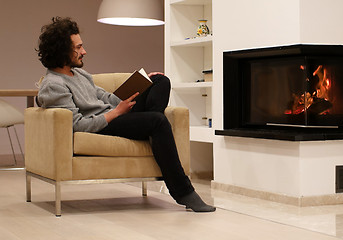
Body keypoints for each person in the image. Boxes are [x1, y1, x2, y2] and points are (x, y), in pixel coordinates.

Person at [36, 17, 215, 213]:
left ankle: (150, 130)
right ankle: (183, 192)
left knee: (160, 81)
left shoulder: (79, 74)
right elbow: (77, 125)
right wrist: (115, 113)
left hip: (115, 116)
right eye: (78, 48)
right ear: (62, 50)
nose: (84, 51)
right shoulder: (53, 85)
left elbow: (106, 97)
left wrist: (142, 83)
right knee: (158, 121)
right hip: (103, 126)